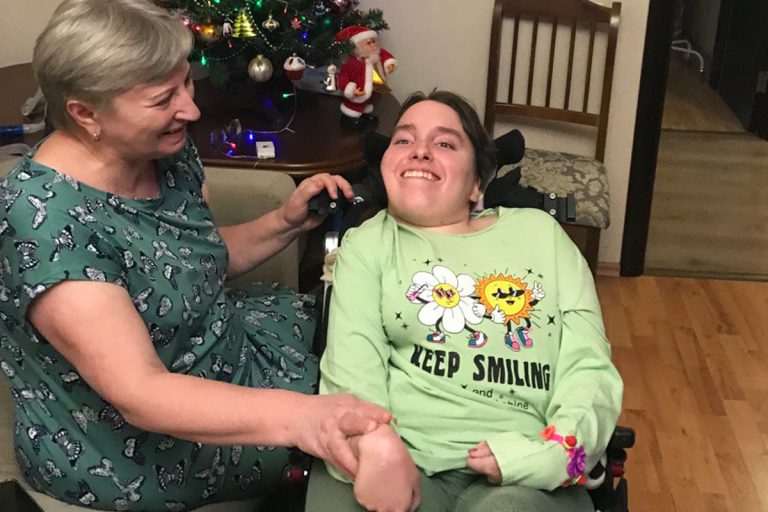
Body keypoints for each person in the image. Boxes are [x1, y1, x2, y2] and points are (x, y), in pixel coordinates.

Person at [0, 1, 392, 510]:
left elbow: (191, 263)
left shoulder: (163, 147)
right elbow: (141, 393)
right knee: (369, 424)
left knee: (372, 342)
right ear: (85, 113)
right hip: (131, 437)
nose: (191, 109)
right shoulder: (43, 223)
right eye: (163, 98)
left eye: (186, 83)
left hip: (224, 344)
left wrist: (285, 223)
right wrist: (305, 418)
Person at [307, 90, 624, 512]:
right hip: (401, 460)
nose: (420, 150)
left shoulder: (541, 236)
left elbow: (590, 368)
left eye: (444, 143)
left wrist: (549, 457)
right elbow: (352, 376)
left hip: (528, 469)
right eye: (404, 140)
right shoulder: (368, 245)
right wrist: (376, 451)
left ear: (477, 184)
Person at [334, 25, 397, 129]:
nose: (373, 45)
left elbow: (385, 55)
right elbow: (343, 76)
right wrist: (351, 90)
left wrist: (390, 64)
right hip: (358, 91)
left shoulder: (375, 55)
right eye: (368, 43)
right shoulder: (352, 62)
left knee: (369, 101)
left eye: (373, 42)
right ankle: (350, 117)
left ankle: (364, 114)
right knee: (355, 104)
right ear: (358, 47)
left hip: (373, 88)